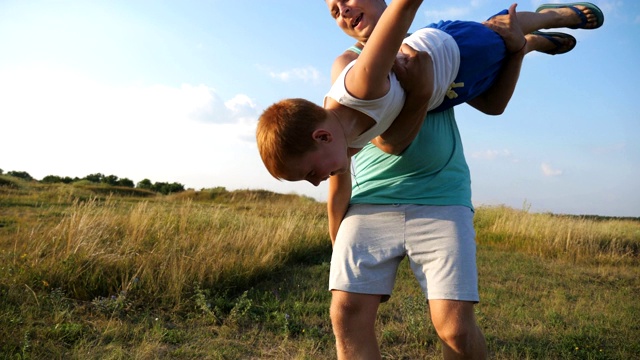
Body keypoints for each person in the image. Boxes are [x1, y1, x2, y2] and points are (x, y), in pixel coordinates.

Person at [256, 1, 604, 185]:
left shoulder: (360, 83)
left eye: (309, 174)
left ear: (321, 136)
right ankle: (526, 47)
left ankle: (552, 16)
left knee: (497, 30)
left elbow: (404, 7)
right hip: (446, 88)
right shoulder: (344, 139)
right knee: (495, 104)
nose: (316, 182)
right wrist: (336, 237)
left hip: (455, 49)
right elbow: (343, 184)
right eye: (334, 11)